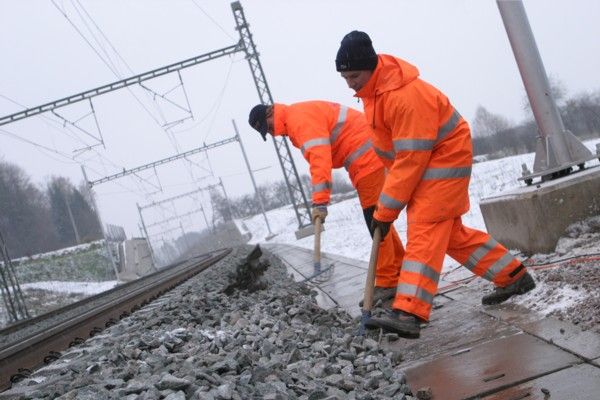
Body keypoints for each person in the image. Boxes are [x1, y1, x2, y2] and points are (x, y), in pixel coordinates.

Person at [334, 31, 536, 338]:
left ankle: (409, 311)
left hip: (444, 159)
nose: (350, 83)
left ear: (371, 66)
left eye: (354, 75)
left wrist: (386, 210)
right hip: (427, 161)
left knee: (425, 228)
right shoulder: (375, 92)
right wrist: (386, 204)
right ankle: (512, 275)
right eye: (345, 77)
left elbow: (411, 157)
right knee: (451, 235)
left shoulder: (402, 96)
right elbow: (400, 156)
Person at [248, 101, 405, 300]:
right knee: (380, 221)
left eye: (268, 126)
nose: (272, 133)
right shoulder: (294, 119)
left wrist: (320, 202)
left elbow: (320, 159)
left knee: (375, 223)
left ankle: (388, 282)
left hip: (367, 155)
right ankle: (401, 271)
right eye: (267, 132)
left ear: (271, 112)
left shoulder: (298, 121)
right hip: (365, 155)